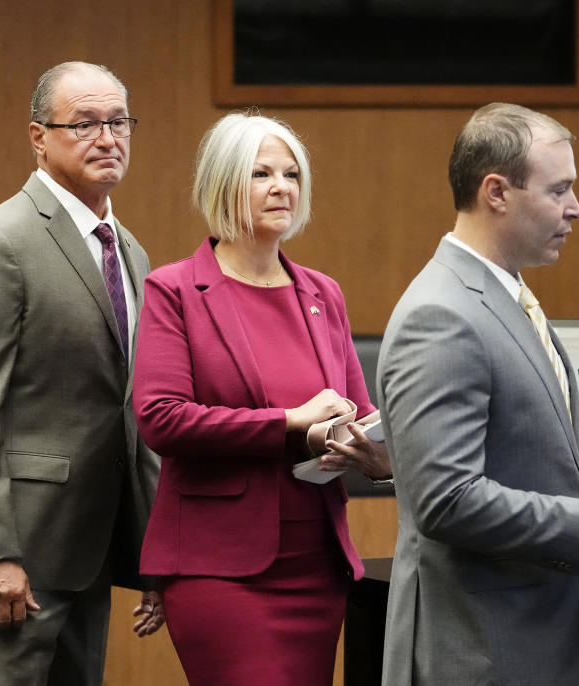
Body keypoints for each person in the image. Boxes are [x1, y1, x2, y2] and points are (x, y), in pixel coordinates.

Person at [378, 103, 579, 685]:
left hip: (551, 639)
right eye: (559, 189)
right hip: (489, 651)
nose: (576, 208)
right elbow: (447, 499)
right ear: (496, 192)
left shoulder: (505, 297)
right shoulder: (442, 313)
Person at [0, 61, 162, 686]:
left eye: (119, 122)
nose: (108, 138)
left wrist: (156, 551)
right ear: (38, 136)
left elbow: (128, 408)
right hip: (14, 554)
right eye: (84, 123)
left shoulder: (128, 249)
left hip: (92, 544)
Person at [132, 111, 391, 686]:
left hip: (316, 563)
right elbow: (161, 418)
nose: (282, 187)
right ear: (223, 184)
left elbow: (355, 410)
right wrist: (290, 422)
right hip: (220, 571)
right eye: (261, 174)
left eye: (292, 174)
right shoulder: (175, 290)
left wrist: (371, 452)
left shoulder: (323, 292)